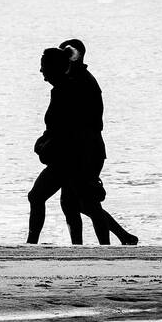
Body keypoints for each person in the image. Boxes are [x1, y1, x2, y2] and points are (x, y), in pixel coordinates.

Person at [27, 47, 138, 245]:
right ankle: (110, 240)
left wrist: (46, 146)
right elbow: (56, 127)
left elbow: (73, 129)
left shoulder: (75, 87)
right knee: (77, 204)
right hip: (72, 156)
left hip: (74, 158)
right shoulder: (67, 87)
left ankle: (34, 244)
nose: (42, 73)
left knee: (72, 202)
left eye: (44, 67)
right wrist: (44, 141)